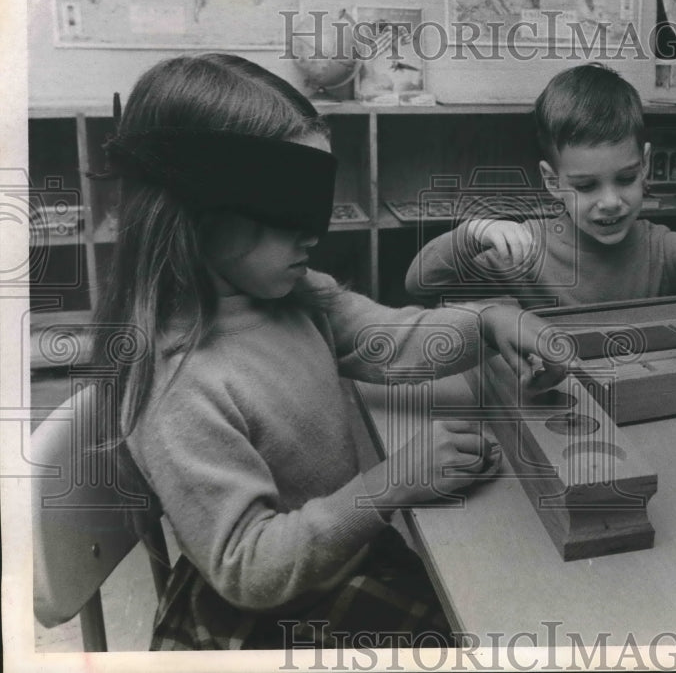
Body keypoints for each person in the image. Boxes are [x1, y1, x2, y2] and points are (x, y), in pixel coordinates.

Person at [90, 54, 565, 651]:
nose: (313, 231)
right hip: (273, 613)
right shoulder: (180, 385)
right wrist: (390, 484)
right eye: (287, 206)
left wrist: (489, 322)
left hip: (341, 552)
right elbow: (248, 566)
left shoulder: (293, 295)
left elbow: (386, 338)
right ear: (197, 209)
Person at [406, 63, 676, 317]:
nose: (610, 202)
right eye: (586, 186)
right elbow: (420, 283)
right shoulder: (526, 248)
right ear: (552, 181)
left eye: (626, 179)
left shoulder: (662, 248)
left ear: (645, 165)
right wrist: (473, 233)